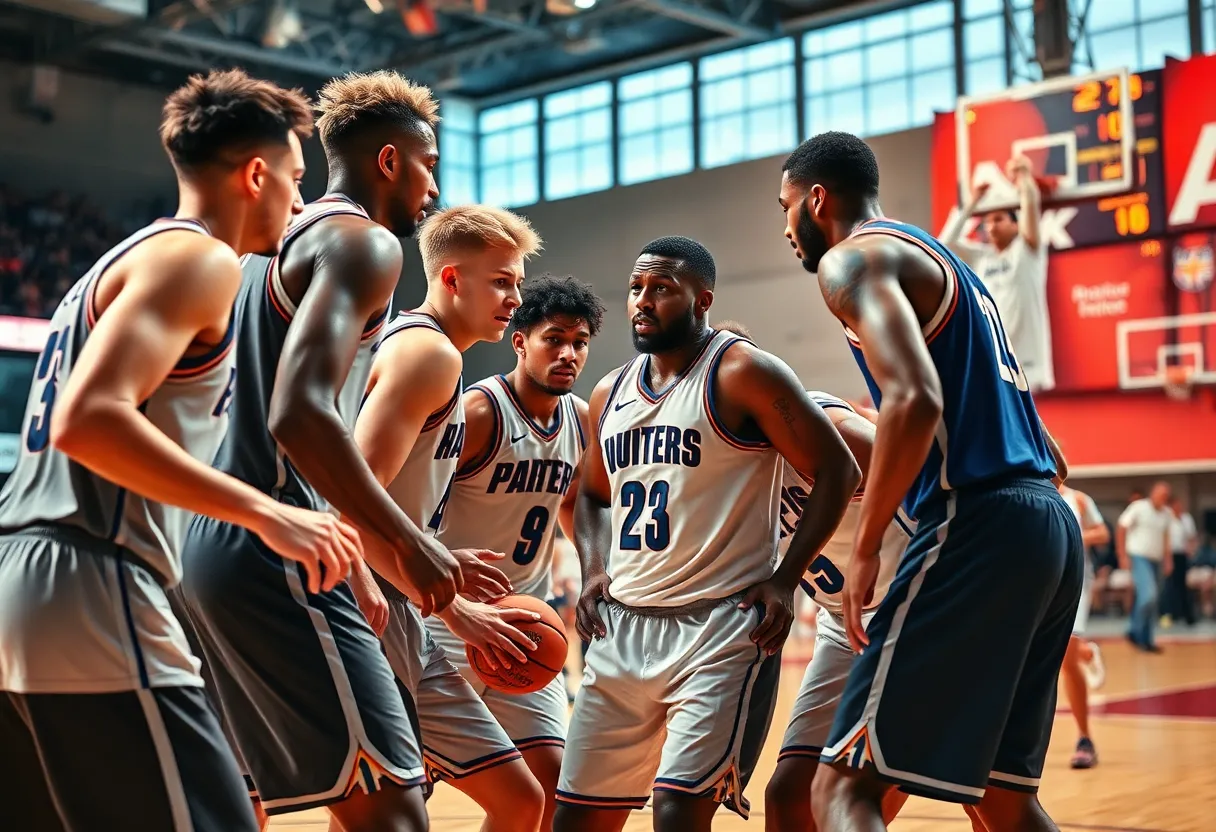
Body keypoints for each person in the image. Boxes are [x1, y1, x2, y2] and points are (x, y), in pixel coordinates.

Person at [0, 69, 361, 831]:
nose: (299, 204)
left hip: (27, 579)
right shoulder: (201, 260)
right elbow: (88, 418)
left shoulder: (117, 263)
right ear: (255, 173)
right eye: (295, 181)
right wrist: (270, 514)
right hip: (90, 577)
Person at [179, 72, 507, 831]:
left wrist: (358, 557)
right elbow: (299, 415)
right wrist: (404, 540)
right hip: (276, 542)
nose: (433, 185)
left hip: (210, 536)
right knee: (394, 807)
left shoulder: (265, 247)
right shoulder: (363, 245)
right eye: (428, 164)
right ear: (390, 161)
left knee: (245, 804)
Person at [777, 131, 1081, 832]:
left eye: (785, 206)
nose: (785, 227)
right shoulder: (954, 269)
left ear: (817, 200)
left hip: (977, 520)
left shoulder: (852, 259)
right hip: (1048, 524)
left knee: (841, 791)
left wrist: (865, 547)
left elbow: (915, 399)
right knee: (1004, 799)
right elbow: (1052, 451)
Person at [554, 235, 862, 832]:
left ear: (703, 299)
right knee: (576, 819)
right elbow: (591, 496)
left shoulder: (742, 370)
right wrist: (594, 569)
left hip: (720, 627)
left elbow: (839, 468)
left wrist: (784, 579)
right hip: (623, 628)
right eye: (637, 289)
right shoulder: (608, 391)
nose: (643, 301)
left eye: (662, 289)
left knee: (677, 814)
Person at [351, 204, 547, 832]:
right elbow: (349, 500)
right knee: (382, 807)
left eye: (517, 282)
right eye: (500, 281)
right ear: (452, 278)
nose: (515, 297)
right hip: (367, 599)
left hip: (404, 597)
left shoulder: (438, 355)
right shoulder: (426, 355)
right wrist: (452, 607)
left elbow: (391, 502)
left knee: (519, 800)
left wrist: (439, 555)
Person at [428, 273, 606, 830]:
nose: (569, 354)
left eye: (579, 343)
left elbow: (578, 499)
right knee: (403, 790)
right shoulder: (479, 413)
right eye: (554, 339)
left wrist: (595, 569)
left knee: (549, 790)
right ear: (521, 341)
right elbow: (411, 504)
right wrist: (442, 585)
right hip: (444, 623)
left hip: (525, 627)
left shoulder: (580, 420)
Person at [763, 390, 912, 832]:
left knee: (854, 797)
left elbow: (917, 454)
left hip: (914, 611)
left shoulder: (821, 426)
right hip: (839, 623)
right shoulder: (717, 464)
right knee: (789, 793)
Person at [942, 155, 1053, 393]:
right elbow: (944, 244)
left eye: (999, 219)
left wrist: (1024, 177)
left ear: (1016, 224)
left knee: (1031, 426)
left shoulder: (1027, 252)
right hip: (996, 361)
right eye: (987, 222)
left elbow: (1030, 205)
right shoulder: (982, 257)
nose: (991, 227)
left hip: (1028, 363)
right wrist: (972, 203)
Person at [1057, 483, 1109, 770]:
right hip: (1038, 581)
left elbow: (1102, 533)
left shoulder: (1078, 499)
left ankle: (1085, 738)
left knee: (1065, 656)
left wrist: (1071, 533)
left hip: (1076, 581)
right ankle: (1087, 653)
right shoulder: (1026, 494)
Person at [1116, 481, 1173, 653]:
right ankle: (1134, 631)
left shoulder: (1166, 514)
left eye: (1165, 496)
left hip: (1156, 559)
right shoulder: (1139, 507)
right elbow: (1121, 528)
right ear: (1152, 493)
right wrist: (1122, 555)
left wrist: (1168, 559)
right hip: (1139, 557)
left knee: (1153, 601)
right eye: (1159, 494)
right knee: (1148, 595)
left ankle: (1147, 639)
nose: (1161, 498)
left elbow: (1166, 537)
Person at [1162, 495, 1199, 627]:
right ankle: (1168, 615)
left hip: (1182, 555)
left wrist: (1191, 549)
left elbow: (1192, 537)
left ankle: (1187, 615)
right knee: (1169, 586)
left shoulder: (1186, 519)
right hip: (1169, 555)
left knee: (1183, 585)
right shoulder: (1166, 518)